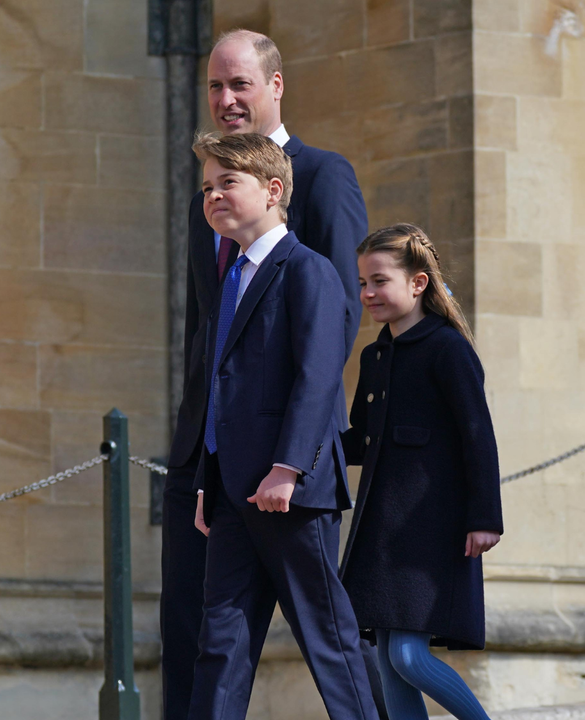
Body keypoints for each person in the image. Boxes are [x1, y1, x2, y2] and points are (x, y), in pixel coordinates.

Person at [159, 29, 369, 720]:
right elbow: (205, 334)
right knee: (201, 634)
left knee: (324, 635)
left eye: (239, 84)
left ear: (275, 85)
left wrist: (291, 456)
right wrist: (202, 459)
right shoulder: (207, 200)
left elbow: (333, 324)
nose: (225, 99)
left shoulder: (322, 175)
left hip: (287, 462)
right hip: (212, 460)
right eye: (215, 86)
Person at [339, 224, 503, 720]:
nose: (368, 293)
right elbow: (360, 439)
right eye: (363, 282)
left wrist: (485, 517)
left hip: (433, 529)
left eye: (380, 281)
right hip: (381, 531)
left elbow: (478, 436)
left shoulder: (448, 349)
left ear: (417, 284)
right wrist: (295, 448)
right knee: (389, 664)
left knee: (408, 656)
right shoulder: (375, 356)